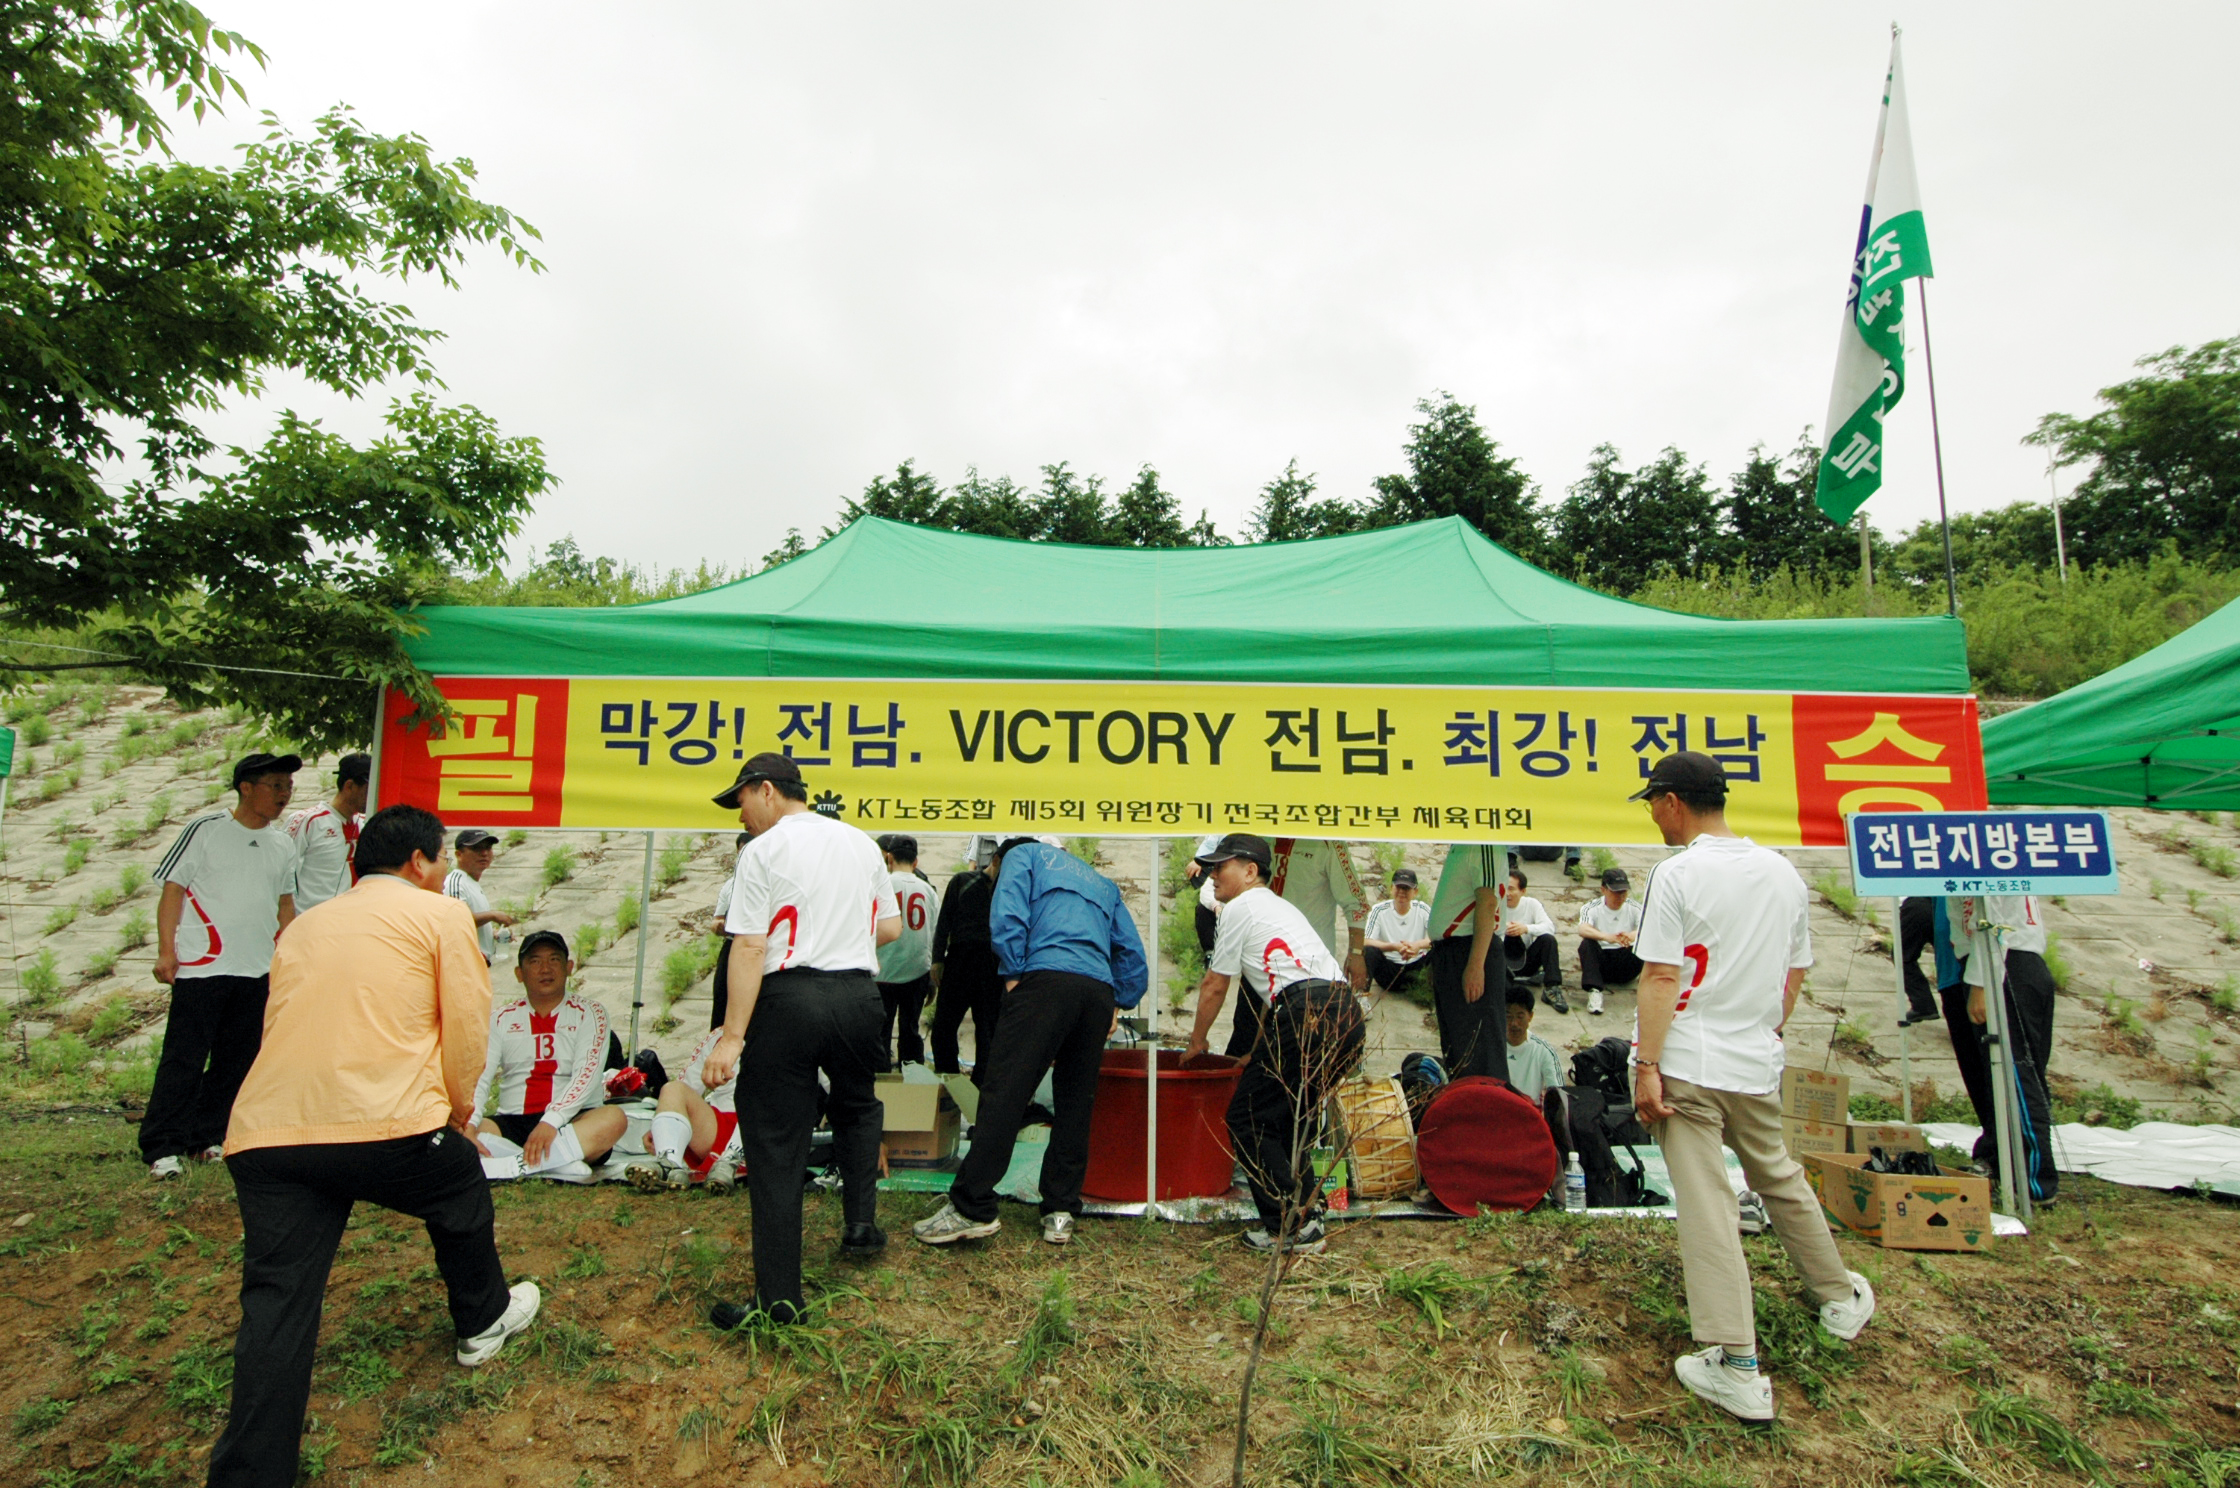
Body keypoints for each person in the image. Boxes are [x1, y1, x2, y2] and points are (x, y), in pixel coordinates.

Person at [206, 804, 539, 1488]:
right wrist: (460, 1112)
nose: (445, 871)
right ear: (419, 861)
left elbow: (281, 1020)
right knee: (459, 1182)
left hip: (270, 1135)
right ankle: (483, 1320)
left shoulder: (307, 925)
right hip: (384, 1124)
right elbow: (466, 1025)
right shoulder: (441, 914)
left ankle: (249, 1475)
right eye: (442, 858)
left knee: (276, 1303)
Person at [1627, 751, 1873, 1422]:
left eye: (1652, 803)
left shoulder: (1677, 873)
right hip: (1754, 1059)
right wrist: (1762, 1029)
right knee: (1778, 1175)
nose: (1653, 816)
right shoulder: (1783, 873)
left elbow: (1660, 976)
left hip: (1688, 1061)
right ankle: (1838, 1296)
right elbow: (1795, 973)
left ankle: (1738, 1363)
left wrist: (1647, 1065)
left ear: (1673, 802)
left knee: (1707, 1201)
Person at [701, 753, 899, 1328]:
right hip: (859, 997)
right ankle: (860, 1224)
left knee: (775, 1141)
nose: (741, 815)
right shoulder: (861, 842)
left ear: (766, 790)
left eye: (741, 801)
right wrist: (841, 942)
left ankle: (780, 1300)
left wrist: (731, 1038)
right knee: (858, 1105)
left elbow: (749, 946)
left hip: (791, 998)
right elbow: (890, 928)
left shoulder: (764, 850)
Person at [914, 836, 1147, 1248]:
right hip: (1096, 992)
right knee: (1075, 1102)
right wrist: (1119, 999)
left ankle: (972, 1207)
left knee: (1005, 1092)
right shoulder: (1100, 882)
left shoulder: (1023, 856)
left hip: (1044, 978)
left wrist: (1013, 972)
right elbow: (1131, 951)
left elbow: (1007, 912)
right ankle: (1060, 1209)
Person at [1183, 833, 1364, 1255]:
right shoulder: (1279, 908)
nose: (1212, 875)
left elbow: (1215, 984)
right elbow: (1278, 990)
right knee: (1288, 1118)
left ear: (1250, 871)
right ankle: (1307, 1215)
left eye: (1221, 866)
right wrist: (1259, 1049)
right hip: (1345, 1015)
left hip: (1307, 1014)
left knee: (1247, 1118)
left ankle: (1291, 1225)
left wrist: (1197, 1041)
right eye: (1210, 867)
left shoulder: (1241, 906)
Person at [144, 752, 303, 1180]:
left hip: (256, 969)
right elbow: (173, 889)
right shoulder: (206, 830)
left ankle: (206, 1137)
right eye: (276, 785)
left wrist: (288, 958)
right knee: (184, 1059)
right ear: (246, 788)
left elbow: (285, 904)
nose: (284, 794)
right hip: (203, 966)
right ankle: (162, 1146)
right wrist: (166, 950)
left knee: (236, 1060)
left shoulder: (282, 843)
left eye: (288, 786)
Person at [466, 930, 627, 1180]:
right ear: (519, 974)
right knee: (462, 1131)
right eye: (535, 961)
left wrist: (551, 1121)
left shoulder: (591, 1013)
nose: (545, 969)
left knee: (614, 1118)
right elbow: (479, 1076)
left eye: (554, 960)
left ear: (569, 967)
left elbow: (586, 1075)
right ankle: (556, 1163)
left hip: (573, 1122)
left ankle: (514, 1164)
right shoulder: (499, 1019)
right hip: (514, 1121)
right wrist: (469, 1124)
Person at [1954, 893, 2060, 1204]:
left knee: (2018, 1076)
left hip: (2005, 963)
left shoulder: (1986, 866)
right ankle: (2002, 1163)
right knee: (2001, 1074)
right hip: (1997, 961)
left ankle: (2035, 1182)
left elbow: (1994, 922)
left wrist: (1980, 983)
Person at [1423, 843, 1509, 1080]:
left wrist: (1475, 965)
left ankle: (1484, 1101)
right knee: (1457, 1048)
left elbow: (1487, 901)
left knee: (1480, 1051)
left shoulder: (1484, 843)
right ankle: (1463, 1098)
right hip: (1450, 952)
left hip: (1470, 950)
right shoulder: (1462, 843)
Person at [928, 837, 1003, 1082]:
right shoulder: (962, 881)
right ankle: (949, 1080)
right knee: (943, 1027)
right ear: (995, 860)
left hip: (992, 964)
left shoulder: (1011, 891)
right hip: (959, 959)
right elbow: (944, 922)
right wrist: (937, 959)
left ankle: (980, 1087)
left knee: (987, 1031)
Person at [640, 1023, 745, 1191]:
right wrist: (661, 1129)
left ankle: (733, 1162)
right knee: (673, 1089)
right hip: (719, 1127)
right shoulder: (720, 1036)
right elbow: (687, 1085)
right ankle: (669, 1165)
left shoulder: (787, 1030)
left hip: (768, 1127)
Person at [876, 834, 935, 1067]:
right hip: (916, 969)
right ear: (915, 861)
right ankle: (912, 1076)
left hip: (883, 971)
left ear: (889, 858)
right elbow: (934, 932)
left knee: (881, 1030)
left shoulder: (880, 886)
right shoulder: (927, 890)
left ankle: (880, 1077)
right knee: (910, 1029)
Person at [285, 752, 369, 912]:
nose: (372, 795)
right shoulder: (307, 821)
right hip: (308, 920)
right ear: (349, 786)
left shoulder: (366, 823)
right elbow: (282, 875)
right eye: (368, 790)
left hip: (348, 919)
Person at [1576, 867, 1644, 1018]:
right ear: (1603, 890)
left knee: (1646, 941)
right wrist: (1605, 937)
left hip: (1626, 961)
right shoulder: (1591, 908)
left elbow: (1647, 928)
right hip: (1602, 962)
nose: (1620, 897)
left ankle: (1647, 992)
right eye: (1616, 892)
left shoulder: (1635, 907)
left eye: (1624, 893)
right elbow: (1582, 928)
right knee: (1587, 943)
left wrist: (1631, 935)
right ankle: (1594, 991)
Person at [442, 828, 515, 966]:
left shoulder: (471, 882)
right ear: (459, 854)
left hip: (479, 963)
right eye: (476, 849)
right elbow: (457, 920)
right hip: (464, 964)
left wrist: (492, 933)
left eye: (488, 848)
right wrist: (492, 915)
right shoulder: (456, 882)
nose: (484, 853)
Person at [1502, 869, 1566, 1012]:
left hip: (1525, 960)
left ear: (1523, 891)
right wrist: (1501, 928)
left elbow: (1549, 927)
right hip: (1500, 962)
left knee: (1548, 939)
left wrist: (1526, 928)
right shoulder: (1493, 904)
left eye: (1511, 889)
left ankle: (1552, 988)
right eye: (1503, 888)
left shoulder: (1532, 904)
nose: (1506, 893)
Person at [1362, 867, 1431, 995]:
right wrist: (1394, 946)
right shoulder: (1379, 910)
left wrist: (1417, 945)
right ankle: (1362, 995)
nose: (1401, 892)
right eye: (1398, 887)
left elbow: (1437, 936)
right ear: (1391, 888)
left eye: (1406, 888)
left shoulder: (1422, 909)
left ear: (1415, 891)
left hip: (1417, 968)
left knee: (1442, 947)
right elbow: (1366, 941)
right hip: (1389, 970)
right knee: (1368, 951)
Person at [710, 830, 752, 1029]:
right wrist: (720, 926)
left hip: (759, 949)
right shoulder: (730, 885)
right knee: (722, 999)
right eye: (740, 853)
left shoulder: (772, 883)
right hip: (731, 946)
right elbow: (716, 920)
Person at [1502, 983, 1564, 1106]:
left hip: (1529, 1111)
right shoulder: (1493, 1046)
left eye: (1520, 1017)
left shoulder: (1544, 1051)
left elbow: (1558, 1093)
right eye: (1508, 1016)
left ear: (1530, 1016)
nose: (1514, 1023)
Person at [1895, 895, 1947, 1028]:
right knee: (1950, 960)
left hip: (1916, 904)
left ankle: (1923, 1005)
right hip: (1942, 904)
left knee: (1901, 956)